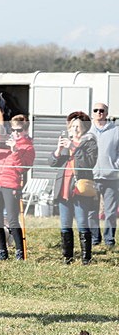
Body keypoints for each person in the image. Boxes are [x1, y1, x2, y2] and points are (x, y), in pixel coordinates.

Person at [49, 111, 99, 264]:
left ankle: (86, 258)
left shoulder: (90, 143)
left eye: (78, 126)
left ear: (84, 128)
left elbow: (88, 163)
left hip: (80, 188)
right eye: (72, 126)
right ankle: (67, 258)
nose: (75, 129)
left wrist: (74, 147)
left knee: (82, 223)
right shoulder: (65, 143)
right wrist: (58, 150)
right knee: (65, 224)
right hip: (63, 187)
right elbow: (52, 163)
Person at [0, 115, 35, 260]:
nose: (16, 133)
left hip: (11, 184)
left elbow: (22, 168)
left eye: (19, 130)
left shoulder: (28, 147)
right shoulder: (3, 142)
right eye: (13, 129)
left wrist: (15, 151)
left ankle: (20, 251)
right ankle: (2, 251)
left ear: (26, 130)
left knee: (12, 219)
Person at [87, 102, 119, 248]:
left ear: (106, 113)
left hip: (111, 177)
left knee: (111, 211)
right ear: (92, 113)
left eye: (102, 110)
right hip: (92, 177)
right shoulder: (87, 130)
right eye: (96, 110)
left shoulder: (116, 130)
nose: (99, 113)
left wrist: (116, 166)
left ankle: (109, 239)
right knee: (91, 211)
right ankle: (94, 238)